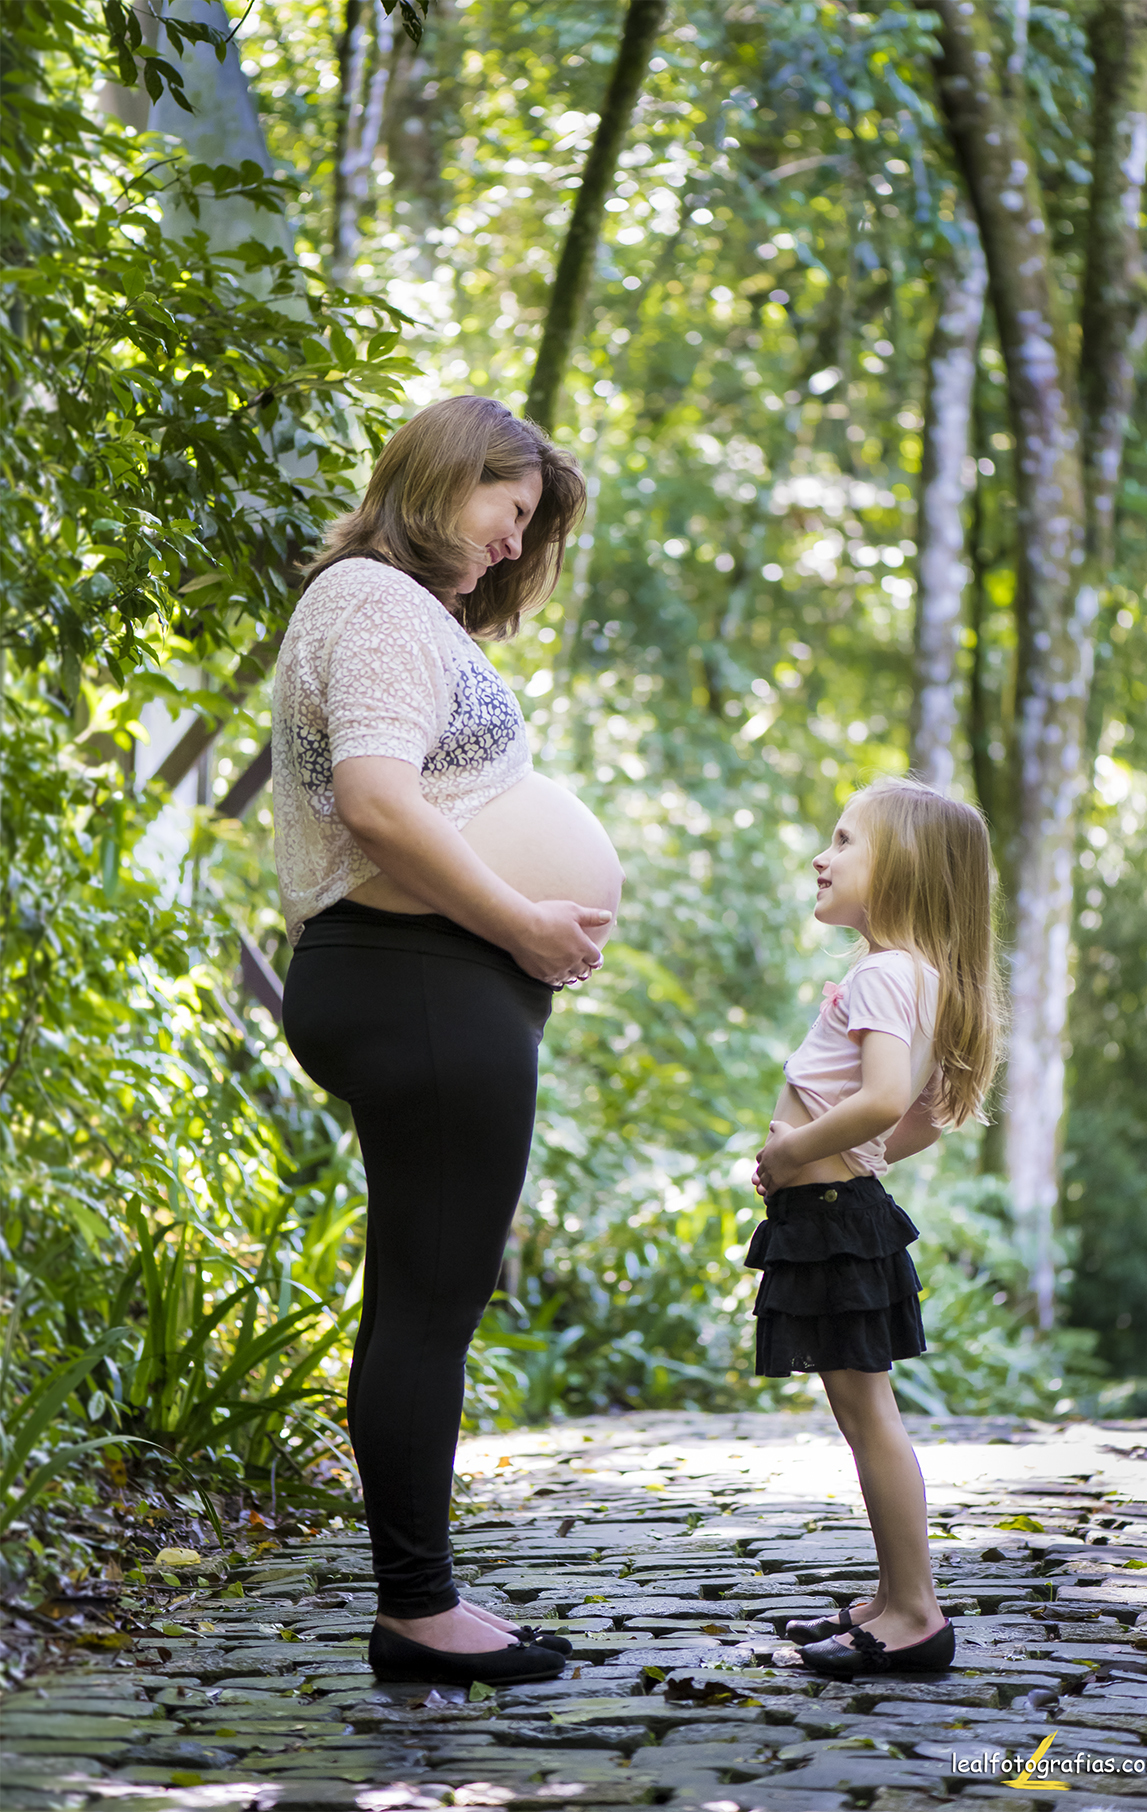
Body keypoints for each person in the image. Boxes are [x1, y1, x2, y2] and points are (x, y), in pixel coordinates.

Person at [274, 396, 624, 1687]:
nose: (511, 545)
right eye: (507, 510)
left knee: (431, 1301)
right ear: (442, 478)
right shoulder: (373, 603)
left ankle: (422, 1600)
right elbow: (376, 800)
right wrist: (529, 920)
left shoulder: (388, 614)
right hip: (416, 978)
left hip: (429, 979)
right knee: (429, 1307)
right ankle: (418, 1612)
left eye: (529, 527)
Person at [747, 776, 1002, 1678]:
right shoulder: (912, 976)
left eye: (845, 841)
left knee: (871, 1420)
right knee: (863, 1417)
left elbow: (889, 1099)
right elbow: (925, 1118)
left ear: (904, 873)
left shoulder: (887, 973)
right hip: (832, 1214)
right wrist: (853, 1160)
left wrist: (796, 1155)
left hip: (829, 1217)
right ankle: (893, 1597)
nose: (824, 855)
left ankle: (916, 1615)